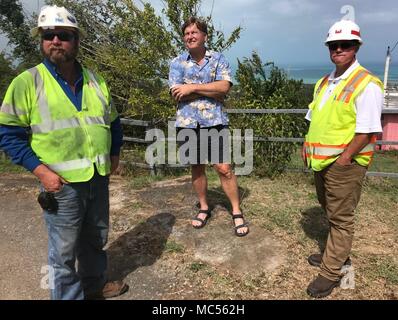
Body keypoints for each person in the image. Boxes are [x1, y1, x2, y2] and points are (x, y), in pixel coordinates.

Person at [0, 5, 128, 300]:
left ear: (76, 40)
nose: (55, 40)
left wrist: (115, 153)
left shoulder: (96, 80)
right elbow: (8, 134)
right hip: (61, 185)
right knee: (64, 251)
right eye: (49, 35)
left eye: (63, 35)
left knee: (95, 238)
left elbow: (112, 121)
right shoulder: (27, 83)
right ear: (42, 41)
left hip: (97, 177)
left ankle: (94, 284)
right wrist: (41, 172)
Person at [302, 19, 384, 298]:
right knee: (330, 211)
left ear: (356, 47)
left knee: (341, 218)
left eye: (345, 45)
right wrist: (306, 145)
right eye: (333, 45)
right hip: (321, 161)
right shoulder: (325, 82)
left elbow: (368, 130)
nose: (338, 49)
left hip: (343, 165)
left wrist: (345, 158)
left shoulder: (367, 84)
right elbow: (315, 118)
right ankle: (337, 256)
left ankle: (331, 272)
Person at [168, 17, 249, 237]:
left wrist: (192, 87)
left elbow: (224, 87)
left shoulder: (218, 59)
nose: (190, 37)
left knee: (223, 168)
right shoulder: (176, 62)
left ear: (205, 36)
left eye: (194, 32)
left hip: (214, 122)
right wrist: (208, 89)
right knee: (196, 166)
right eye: (186, 34)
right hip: (187, 122)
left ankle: (236, 210)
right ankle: (204, 207)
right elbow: (176, 93)